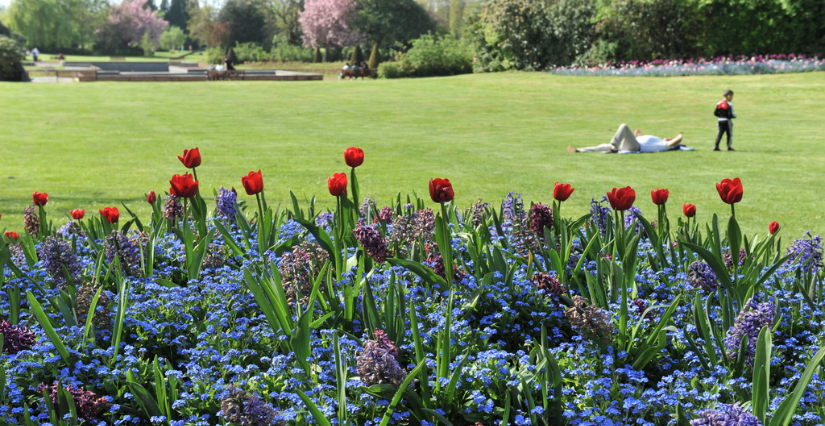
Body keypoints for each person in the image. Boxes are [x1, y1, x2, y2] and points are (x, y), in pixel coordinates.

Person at [568, 124, 685, 153]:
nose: (668, 137)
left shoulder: (663, 145)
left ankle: (614, 146)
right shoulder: (657, 141)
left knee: (624, 126)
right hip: (633, 143)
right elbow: (646, 140)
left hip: (636, 147)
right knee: (604, 146)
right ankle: (580, 150)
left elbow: (676, 141)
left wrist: (679, 136)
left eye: (670, 139)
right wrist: (640, 134)